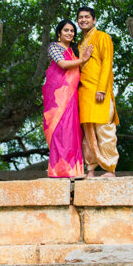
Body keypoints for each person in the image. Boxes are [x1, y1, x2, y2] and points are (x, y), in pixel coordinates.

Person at [42, 19, 94, 178]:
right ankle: (58, 169)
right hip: (57, 94)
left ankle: (73, 170)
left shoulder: (74, 51)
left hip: (72, 94)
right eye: (66, 30)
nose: (70, 33)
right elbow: (63, 64)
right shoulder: (54, 47)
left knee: (72, 130)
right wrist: (83, 59)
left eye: (72, 31)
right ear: (59, 32)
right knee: (59, 129)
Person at [76, 7, 119, 177]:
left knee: (105, 130)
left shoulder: (103, 37)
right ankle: (91, 169)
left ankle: (109, 169)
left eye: (87, 17)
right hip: (84, 93)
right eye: (80, 17)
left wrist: (102, 88)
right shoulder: (79, 44)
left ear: (94, 20)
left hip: (99, 92)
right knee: (88, 134)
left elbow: (107, 63)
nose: (83, 20)